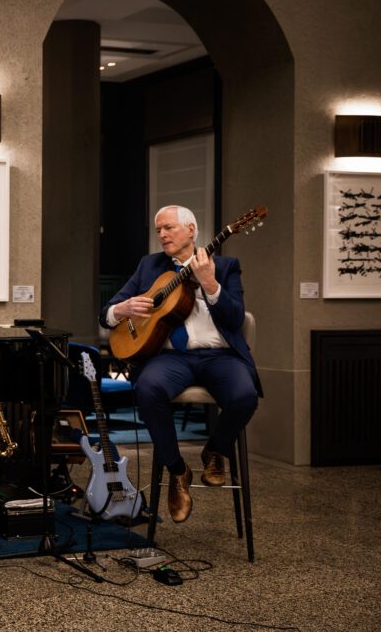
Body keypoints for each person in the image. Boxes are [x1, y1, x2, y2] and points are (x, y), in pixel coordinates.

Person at [99, 205, 261, 523]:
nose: (162, 235)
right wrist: (122, 309)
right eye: (158, 229)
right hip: (172, 358)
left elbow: (235, 318)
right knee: (147, 389)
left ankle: (216, 450)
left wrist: (211, 285)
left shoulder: (225, 266)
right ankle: (177, 470)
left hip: (219, 356)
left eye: (169, 228)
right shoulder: (150, 265)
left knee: (245, 395)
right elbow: (106, 313)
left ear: (191, 230)